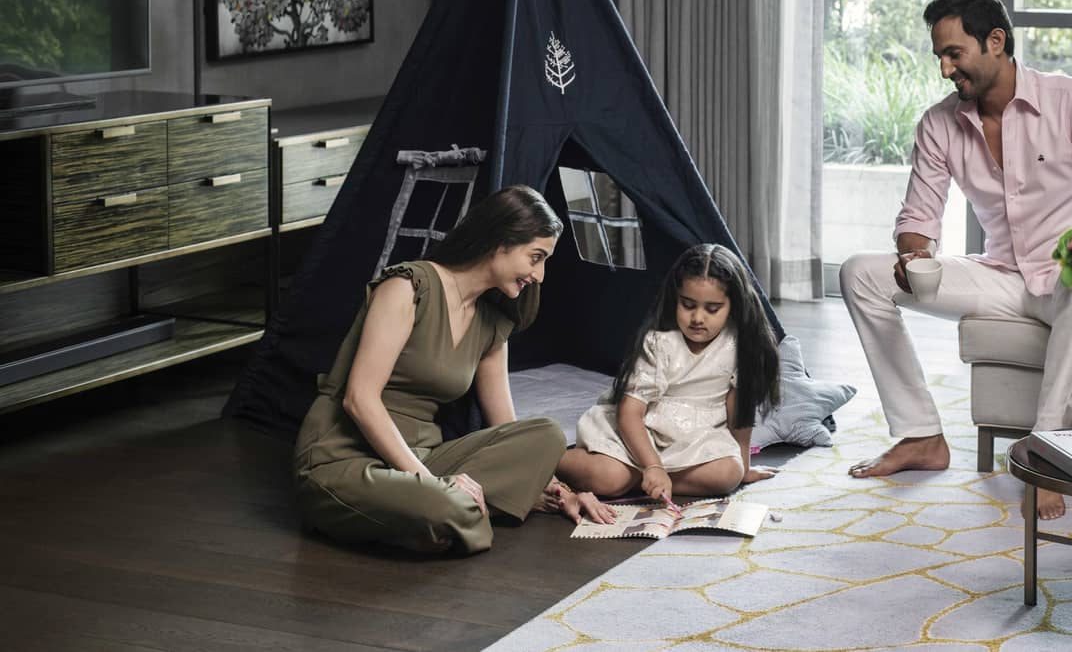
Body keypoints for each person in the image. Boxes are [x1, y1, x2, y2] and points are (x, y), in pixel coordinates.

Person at [839, 0, 1072, 525]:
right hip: (1002, 277)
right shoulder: (938, 124)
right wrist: (915, 256)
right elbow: (918, 219)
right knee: (858, 274)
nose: (944, 69)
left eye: (953, 54)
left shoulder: (1071, 99)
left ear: (996, 42)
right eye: (938, 55)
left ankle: (1045, 454)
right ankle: (919, 435)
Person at [292, 185, 615, 556]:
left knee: (546, 436)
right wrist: (432, 483)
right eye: (536, 257)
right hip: (343, 459)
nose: (540, 275)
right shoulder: (407, 287)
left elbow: (505, 431)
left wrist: (561, 492)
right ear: (501, 241)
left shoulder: (493, 323)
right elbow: (358, 400)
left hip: (426, 460)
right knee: (442, 505)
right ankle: (440, 514)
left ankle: (433, 519)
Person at [556, 243, 781, 502]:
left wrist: (744, 467)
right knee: (609, 478)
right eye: (688, 305)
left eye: (712, 309)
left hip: (695, 440)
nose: (698, 318)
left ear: (733, 306)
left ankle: (642, 480)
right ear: (676, 298)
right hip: (639, 435)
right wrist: (652, 466)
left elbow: (739, 414)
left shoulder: (739, 344)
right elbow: (630, 413)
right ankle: (553, 459)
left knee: (729, 473)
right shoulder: (660, 342)